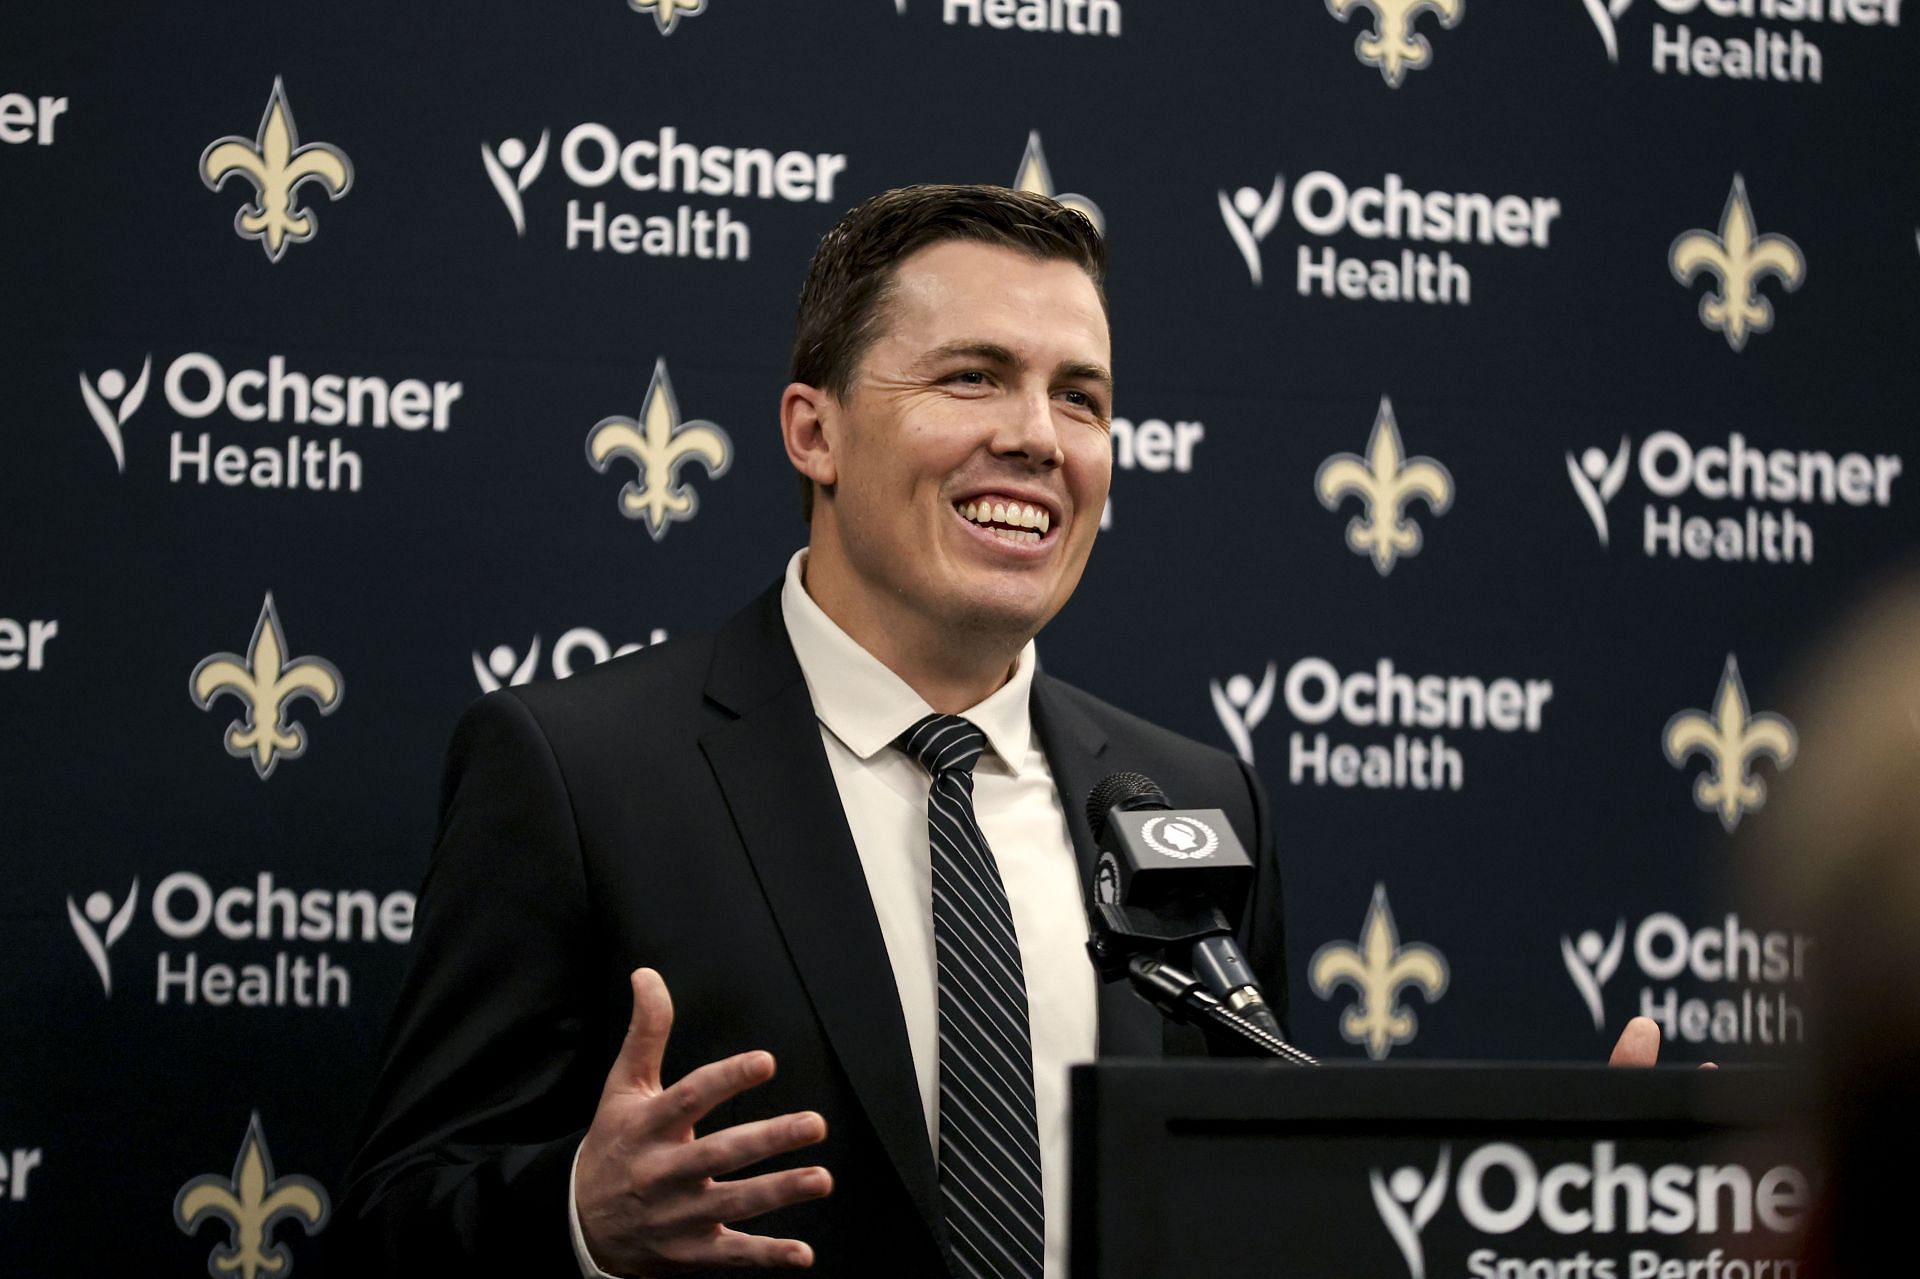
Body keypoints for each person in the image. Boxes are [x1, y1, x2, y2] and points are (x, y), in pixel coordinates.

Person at [335, 185, 1287, 1278]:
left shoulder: (1194, 801)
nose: (1036, 436)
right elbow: (391, 1224)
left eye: (1080, 397)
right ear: (813, 431)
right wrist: (581, 1220)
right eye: (972, 376)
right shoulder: (578, 773)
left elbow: (1254, 1198)